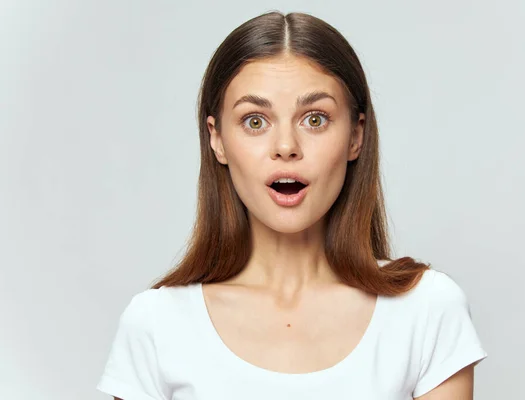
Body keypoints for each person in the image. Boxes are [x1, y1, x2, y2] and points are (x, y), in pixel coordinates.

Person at [96, 11, 487, 400]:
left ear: (355, 135)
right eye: (254, 121)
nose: (286, 147)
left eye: (314, 119)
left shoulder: (427, 310)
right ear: (217, 140)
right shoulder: (156, 325)